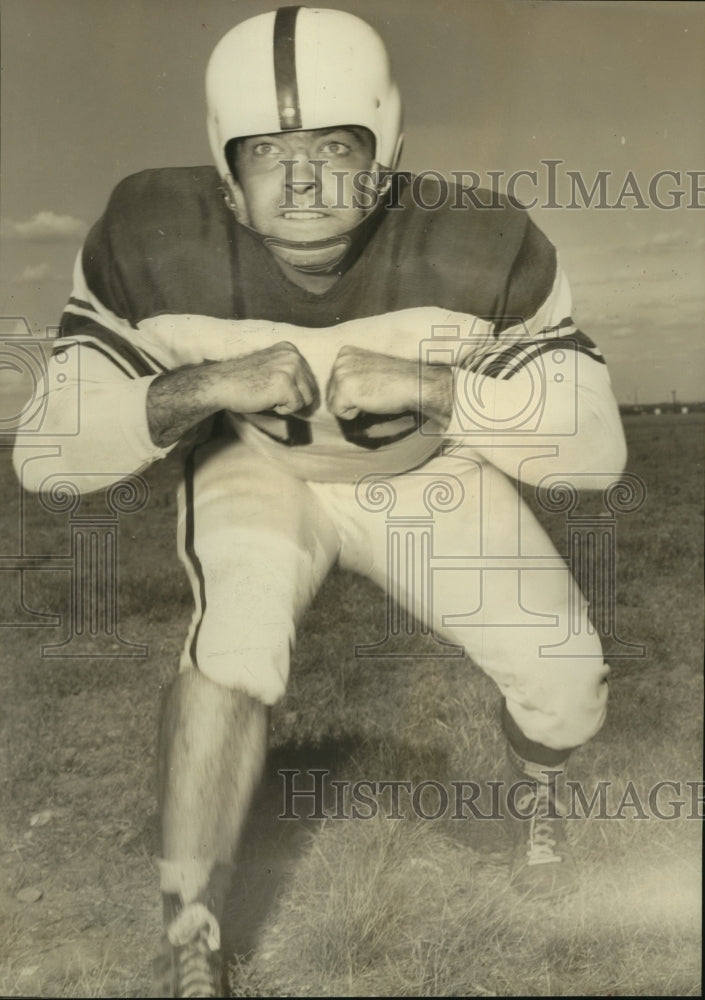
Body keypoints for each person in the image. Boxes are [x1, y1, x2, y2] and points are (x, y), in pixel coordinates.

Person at [14, 6, 627, 997]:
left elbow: (596, 449)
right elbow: (48, 456)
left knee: (568, 679)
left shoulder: (481, 240)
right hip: (260, 466)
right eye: (269, 153)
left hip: (424, 476)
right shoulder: (147, 234)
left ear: (383, 159)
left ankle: (538, 797)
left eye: (334, 149)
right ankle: (191, 931)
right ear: (226, 170)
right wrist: (204, 388)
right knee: (235, 643)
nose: (301, 182)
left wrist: (433, 388)